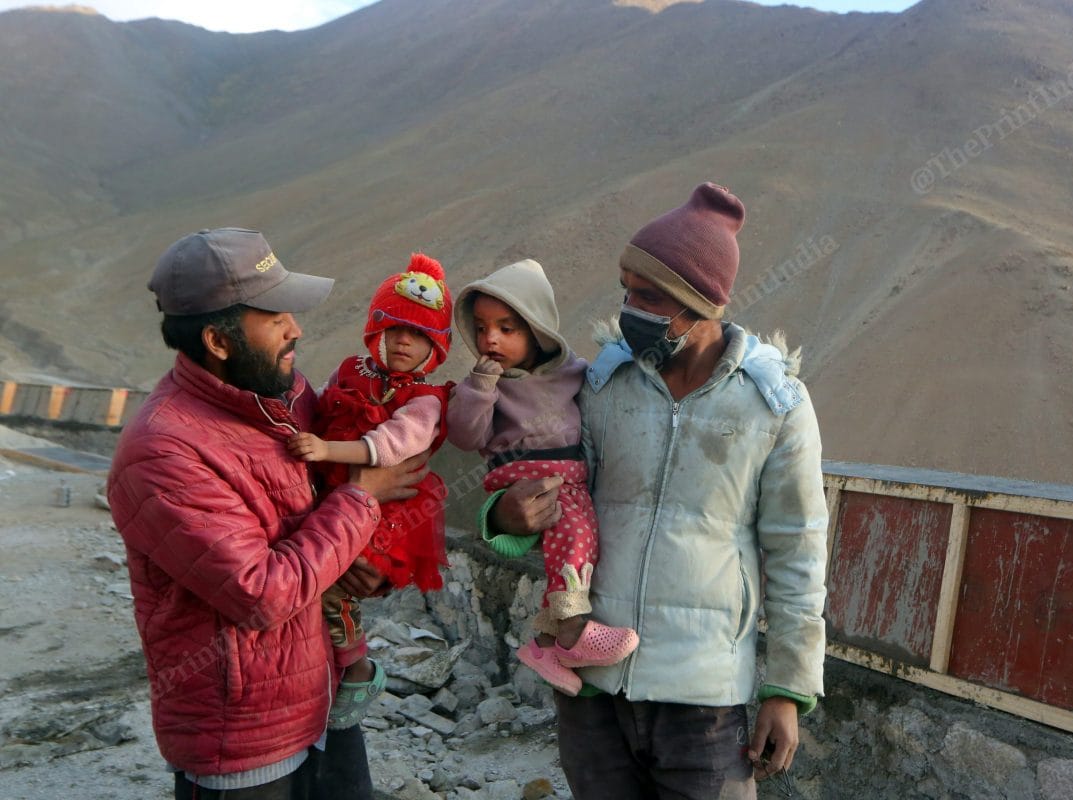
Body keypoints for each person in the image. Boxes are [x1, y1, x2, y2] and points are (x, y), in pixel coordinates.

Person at [484, 184, 829, 798]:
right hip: (591, 679)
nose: (629, 307)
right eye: (626, 289)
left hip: (705, 698)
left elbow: (798, 550)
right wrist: (505, 515)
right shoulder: (603, 384)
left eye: (650, 296)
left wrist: (787, 689)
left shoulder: (773, 404)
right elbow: (557, 481)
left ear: (703, 302)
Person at [107, 227, 426, 800]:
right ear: (219, 341)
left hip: (321, 702)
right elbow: (261, 593)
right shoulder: (163, 450)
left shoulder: (283, 396)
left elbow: (317, 521)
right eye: (275, 316)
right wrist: (362, 500)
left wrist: (357, 557)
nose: (296, 329)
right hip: (245, 743)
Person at [445, 259, 639, 696]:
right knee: (573, 536)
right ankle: (572, 630)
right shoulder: (485, 384)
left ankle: (546, 645)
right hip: (527, 475)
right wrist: (479, 388)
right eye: (481, 327)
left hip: (569, 475)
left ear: (538, 330)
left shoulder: (572, 373)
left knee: (582, 535)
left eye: (507, 328)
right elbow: (465, 435)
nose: (489, 339)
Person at [286, 253, 454, 729]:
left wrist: (325, 449)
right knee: (318, 583)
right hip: (335, 497)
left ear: (435, 349)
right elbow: (314, 406)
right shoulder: (350, 372)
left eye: (419, 334)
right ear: (374, 331)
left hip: (387, 512)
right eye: (395, 329)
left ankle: (356, 667)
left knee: (331, 587)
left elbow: (388, 447)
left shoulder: (425, 402)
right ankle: (335, 673)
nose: (404, 341)